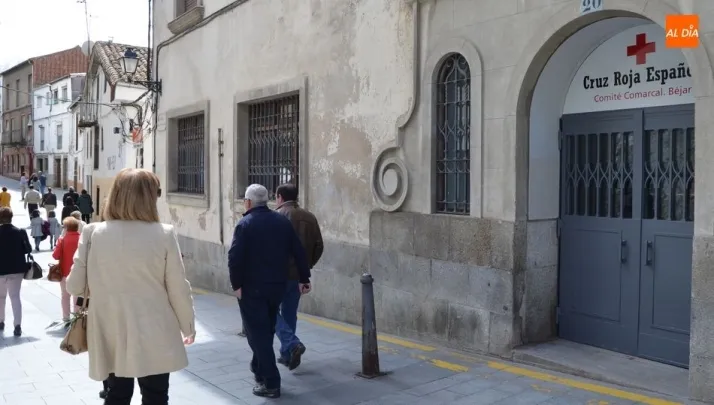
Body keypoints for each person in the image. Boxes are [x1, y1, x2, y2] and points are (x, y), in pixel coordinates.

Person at [66, 168, 196, 405]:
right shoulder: (164, 234)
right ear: (149, 198)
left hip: (109, 328)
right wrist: (188, 326)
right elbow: (178, 288)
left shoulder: (92, 232)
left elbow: (74, 286)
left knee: (116, 395)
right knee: (156, 396)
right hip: (155, 328)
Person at [228, 184, 311, 399]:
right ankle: (258, 370)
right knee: (265, 331)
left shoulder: (245, 224)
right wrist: (304, 278)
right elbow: (299, 251)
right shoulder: (281, 221)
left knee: (257, 336)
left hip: (252, 289)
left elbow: (234, 258)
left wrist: (236, 286)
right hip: (277, 287)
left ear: (248, 202)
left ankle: (271, 382)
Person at [274, 183, 323, 371]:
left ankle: (292, 344)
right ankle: (287, 354)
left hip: (279, 274)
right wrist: (307, 266)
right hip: (298, 275)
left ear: (279, 197)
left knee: (269, 311)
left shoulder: (277, 216)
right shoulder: (310, 217)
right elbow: (319, 246)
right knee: (289, 313)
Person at [0, 207, 32, 337]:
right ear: (11, 217)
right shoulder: (20, 232)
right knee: (15, 297)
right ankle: (17, 325)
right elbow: (28, 249)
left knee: (0, 297)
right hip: (17, 270)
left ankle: (1, 321)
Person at [52, 217, 81, 326]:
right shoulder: (82, 239)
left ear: (66, 228)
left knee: (65, 296)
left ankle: (66, 319)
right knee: (77, 296)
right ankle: (77, 319)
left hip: (64, 272)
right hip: (79, 273)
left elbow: (55, 256)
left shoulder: (62, 240)